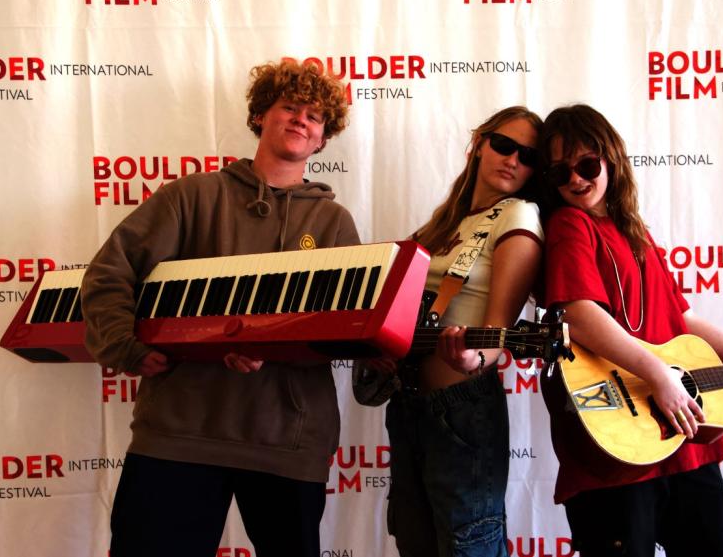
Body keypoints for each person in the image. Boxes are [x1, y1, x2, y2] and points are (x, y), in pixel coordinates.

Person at [80, 60, 356, 557]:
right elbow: (109, 272)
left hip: (288, 440)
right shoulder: (190, 196)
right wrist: (124, 346)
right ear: (261, 116)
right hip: (179, 433)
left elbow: (345, 326)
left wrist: (273, 347)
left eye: (314, 117)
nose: (301, 120)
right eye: (290, 107)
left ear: (322, 139)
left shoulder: (334, 222)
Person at [536, 104, 723, 557]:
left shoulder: (635, 232)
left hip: (681, 439)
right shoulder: (570, 224)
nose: (575, 179)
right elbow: (578, 313)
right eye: (559, 172)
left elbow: (680, 319)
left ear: (611, 159)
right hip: (617, 450)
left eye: (586, 165)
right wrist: (659, 375)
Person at [376, 106, 544, 557]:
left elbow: (498, 331)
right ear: (479, 145)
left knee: (468, 547)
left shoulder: (518, 214)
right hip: (408, 405)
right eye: (504, 145)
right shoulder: (442, 223)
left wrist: (477, 358)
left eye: (528, 156)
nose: (513, 159)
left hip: (463, 409)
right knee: (414, 543)